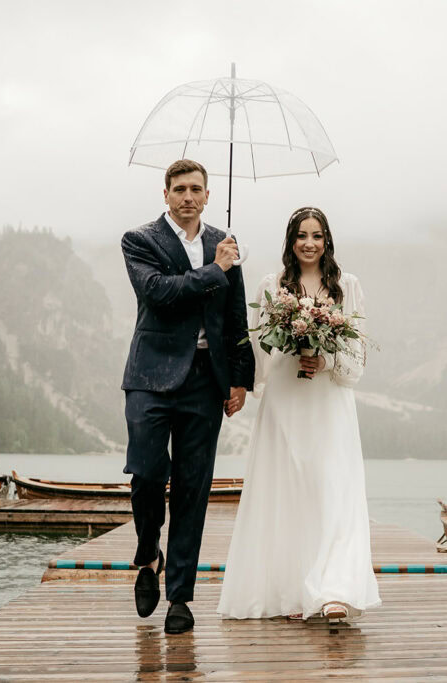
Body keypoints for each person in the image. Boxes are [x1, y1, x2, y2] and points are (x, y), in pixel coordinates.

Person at [217, 206, 381, 621]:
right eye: (301, 235)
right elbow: (257, 346)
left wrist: (326, 362)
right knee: (290, 490)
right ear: (290, 242)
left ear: (327, 241)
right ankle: (292, 590)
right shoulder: (272, 285)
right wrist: (282, 358)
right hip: (287, 400)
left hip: (329, 402)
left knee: (332, 490)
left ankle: (333, 591)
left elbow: (357, 353)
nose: (309, 243)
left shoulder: (347, 286)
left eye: (317, 235)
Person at [120, 159, 254, 634]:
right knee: (147, 473)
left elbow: (235, 317)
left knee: (194, 489)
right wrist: (215, 268)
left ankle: (179, 596)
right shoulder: (140, 240)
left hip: (204, 380)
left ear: (208, 195)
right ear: (166, 194)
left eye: (196, 189)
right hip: (150, 377)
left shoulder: (225, 243)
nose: (188, 197)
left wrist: (241, 378)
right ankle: (147, 551)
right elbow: (159, 292)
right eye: (179, 189)